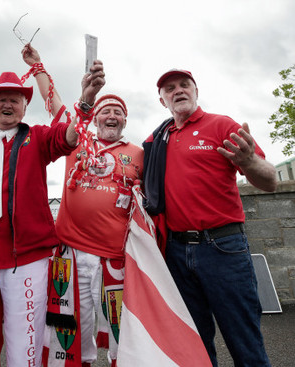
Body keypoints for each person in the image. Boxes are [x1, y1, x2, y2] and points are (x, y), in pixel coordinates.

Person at [0, 45, 105, 367]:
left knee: (27, 344)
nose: (7, 103)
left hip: (26, 258)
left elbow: (71, 133)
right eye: (1, 98)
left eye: (15, 98)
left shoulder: (36, 138)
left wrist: (86, 100)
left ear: (24, 106)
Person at [143, 69, 277, 367]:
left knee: (244, 339)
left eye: (184, 85)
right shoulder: (157, 139)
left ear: (196, 90)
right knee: (194, 345)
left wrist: (250, 160)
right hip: (176, 253)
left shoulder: (221, 125)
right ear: (162, 100)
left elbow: (270, 181)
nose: (177, 90)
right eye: (169, 88)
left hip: (223, 248)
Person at [26, 44, 143, 366]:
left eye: (118, 111)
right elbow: (54, 103)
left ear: (125, 119)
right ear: (95, 118)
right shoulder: (77, 139)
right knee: (71, 332)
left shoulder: (138, 153)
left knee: (122, 333)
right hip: (71, 254)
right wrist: (37, 65)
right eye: (106, 110)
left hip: (115, 258)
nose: (111, 115)